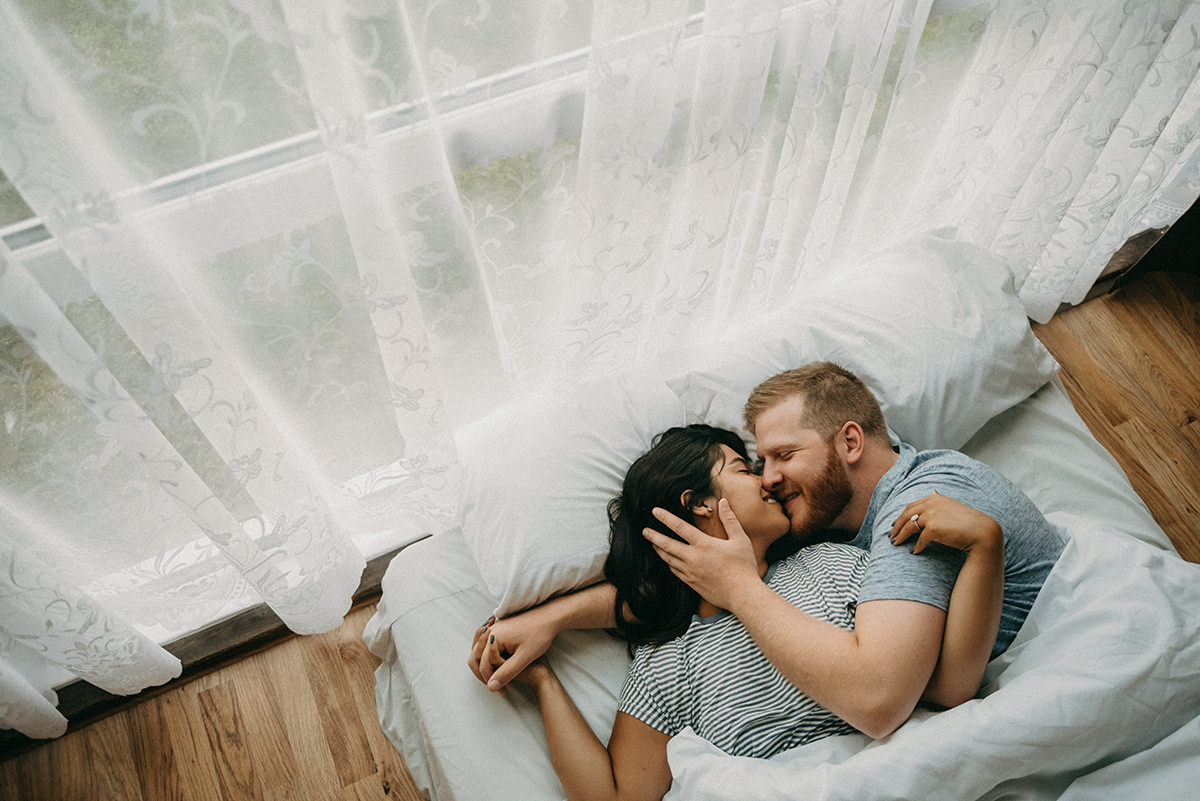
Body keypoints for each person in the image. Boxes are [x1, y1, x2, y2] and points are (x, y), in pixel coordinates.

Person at [476, 424, 1004, 801]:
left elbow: (947, 688)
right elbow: (617, 797)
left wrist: (986, 550)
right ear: (701, 503)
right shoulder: (668, 662)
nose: (768, 480)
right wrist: (544, 681)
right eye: (744, 469)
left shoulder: (833, 564)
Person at [643, 362, 1067, 736]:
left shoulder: (917, 508)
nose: (768, 479)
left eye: (784, 455)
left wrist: (738, 589)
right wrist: (576, 612)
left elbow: (879, 700)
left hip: (1055, 674)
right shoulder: (833, 524)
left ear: (850, 443)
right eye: (759, 464)